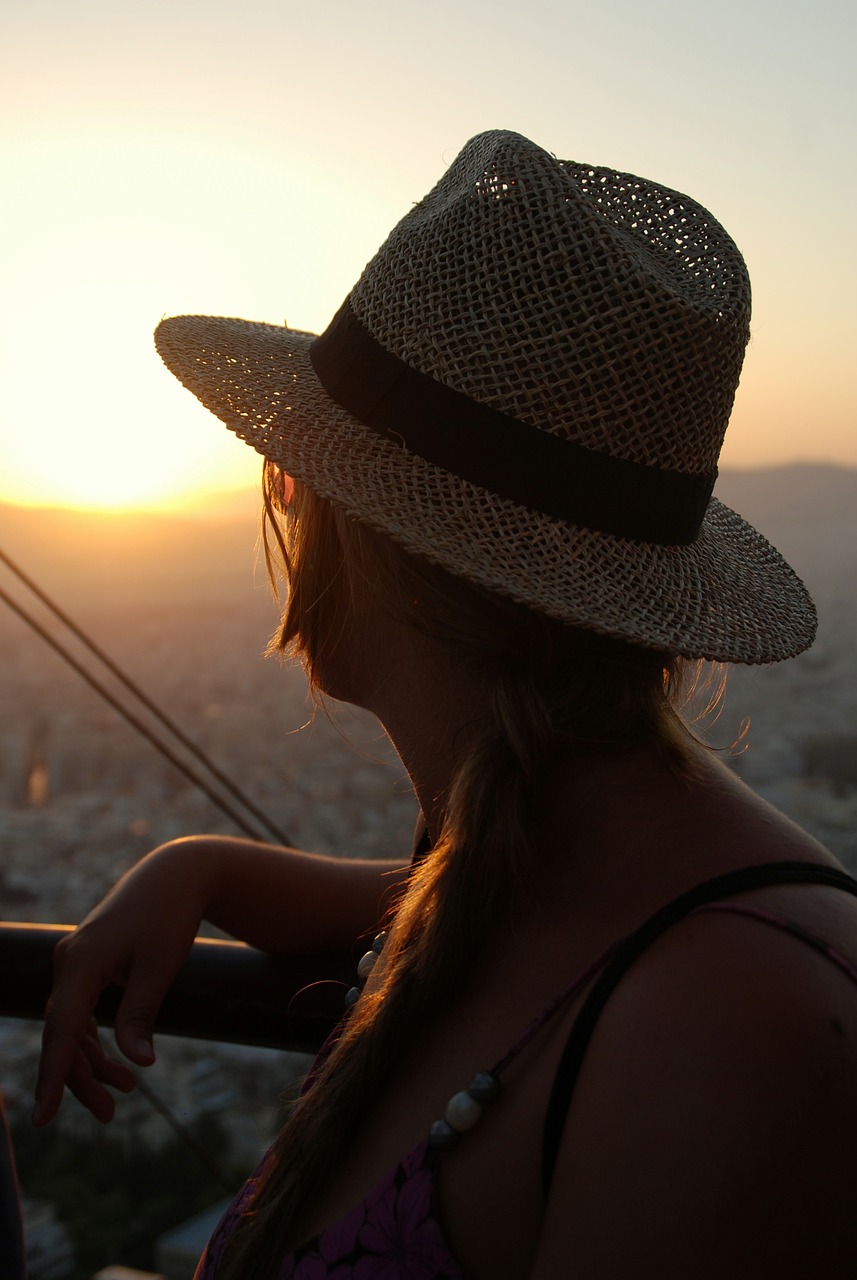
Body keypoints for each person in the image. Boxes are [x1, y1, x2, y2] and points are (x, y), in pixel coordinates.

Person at [34, 131, 857, 1278]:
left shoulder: (730, 1029)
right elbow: (509, 909)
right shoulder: (582, 863)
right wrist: (205, 868)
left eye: (289, 469)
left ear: (358, 526)